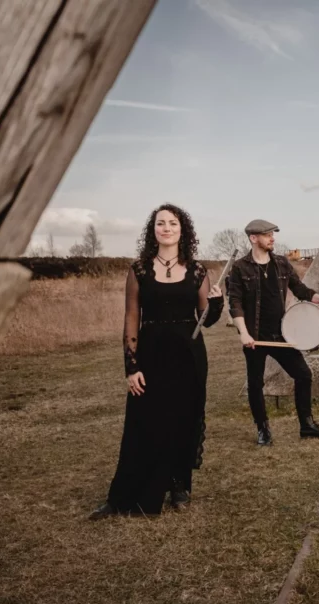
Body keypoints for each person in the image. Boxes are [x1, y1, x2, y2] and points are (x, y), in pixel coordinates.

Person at [90, 203, 224, 520]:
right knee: (142, 422)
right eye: (160, 223)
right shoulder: (138, 270)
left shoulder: (198, 271)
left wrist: (217, 303)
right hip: (150, 354)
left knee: (183, 420)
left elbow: (205, 320)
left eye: (173, 223)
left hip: (188, 356)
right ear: (153, 230)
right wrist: (131, 367)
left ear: (182, 230)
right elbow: (131, 319)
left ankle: (178, 486)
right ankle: (122, 496)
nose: (166, 228)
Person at [228, 219, 319, 445]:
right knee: (255, 383)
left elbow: (300, 289)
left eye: (272, 234)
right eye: (267, 235)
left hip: (282, 334)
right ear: (253, 238)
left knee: (303, 375)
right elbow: (235, 302)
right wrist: (244, 333)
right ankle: (263, 429)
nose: (272, 238)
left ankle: (307, 425)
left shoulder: (281, 263)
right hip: (255, 337)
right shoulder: (239, 267)